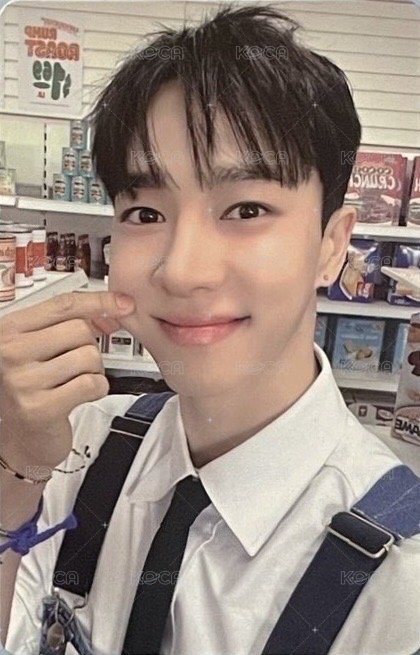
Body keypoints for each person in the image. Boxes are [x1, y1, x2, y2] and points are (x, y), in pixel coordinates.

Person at [1, 3, 419, 654]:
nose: (182, 270)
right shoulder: (74, 449)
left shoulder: (400, 582)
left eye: (247, 208)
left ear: (332, 246)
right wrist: (12, 475)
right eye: (145, 213)